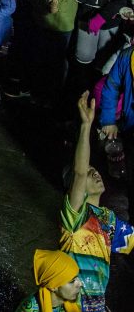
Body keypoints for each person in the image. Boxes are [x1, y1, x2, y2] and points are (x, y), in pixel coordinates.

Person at [59, 93, 134, 311]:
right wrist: (86, 125)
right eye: (90, 172)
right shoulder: (75, 216)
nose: (95, 174)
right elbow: (80, 172)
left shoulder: (109, 220)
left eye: (95, 170)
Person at [25, 0, 79, 105]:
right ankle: (36, 92)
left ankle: (54, 96)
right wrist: (45, 3)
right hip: (44, 20)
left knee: (58, 61)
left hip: (64, 23)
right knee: (39, 56)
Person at [14, 249, 83, 312]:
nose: (80, 284)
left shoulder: (73, 297)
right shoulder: (29, 309)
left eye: (77, 277)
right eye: (72, 281)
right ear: (53, 287)